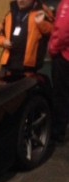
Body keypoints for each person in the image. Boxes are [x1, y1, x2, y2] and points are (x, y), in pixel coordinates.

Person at [0, 0, 55, 74]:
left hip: (30, 67)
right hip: (9, 65)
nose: (20, 1)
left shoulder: (42, 12)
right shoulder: (10, 15)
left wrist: (41, 23)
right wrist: (3, 42)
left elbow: (53, 32)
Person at [49, 0, 69, 142]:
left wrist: (53, 49)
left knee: (60, 95)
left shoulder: (66, 4)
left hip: (65, 57)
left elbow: (62, 31)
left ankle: (58, 131)